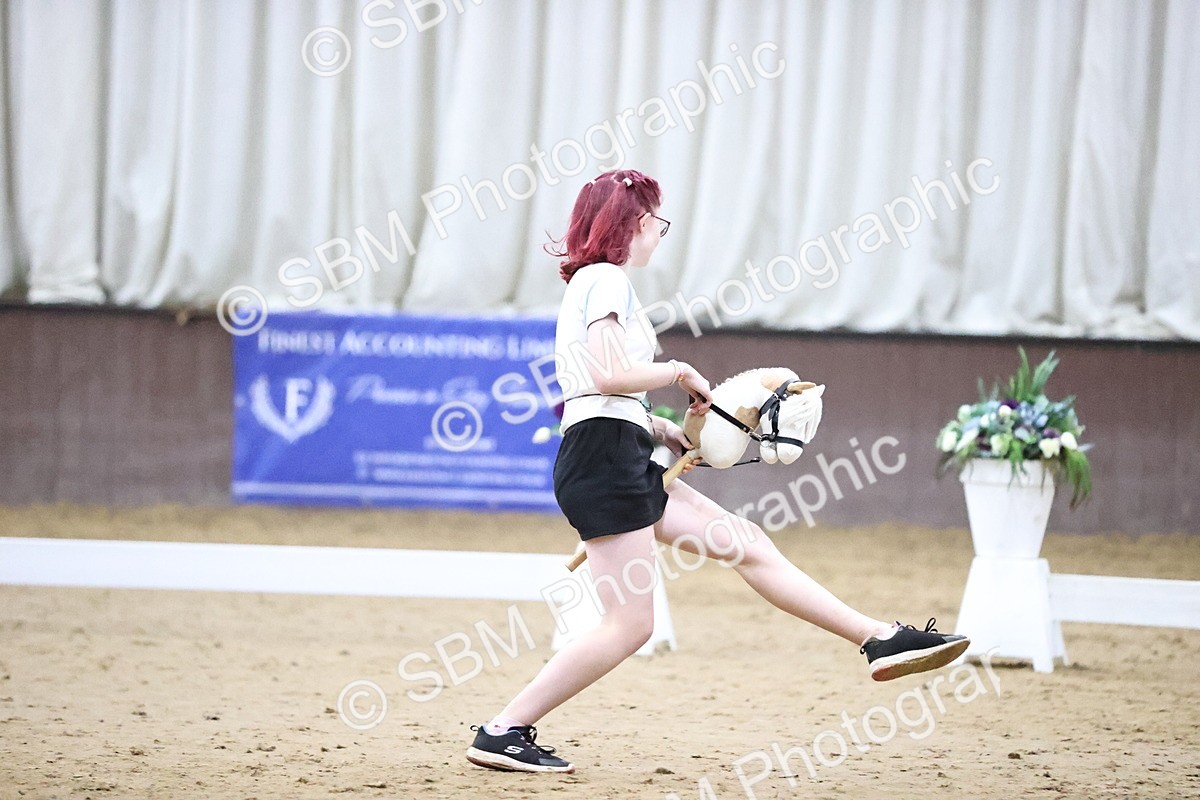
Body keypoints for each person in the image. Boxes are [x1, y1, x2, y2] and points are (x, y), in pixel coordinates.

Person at [465, 169, 969, 774]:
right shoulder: (606, 280)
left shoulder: (595, 284)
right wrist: (679, 372)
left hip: (615, 448)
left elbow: (598, 395)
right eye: (658, 221)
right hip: (603, 458)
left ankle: (877, 638)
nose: (660, 233)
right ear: (633, 222)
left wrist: (661, 428)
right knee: (629, 626)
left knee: (747, 544)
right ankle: (504, 728)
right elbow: (604, 377)